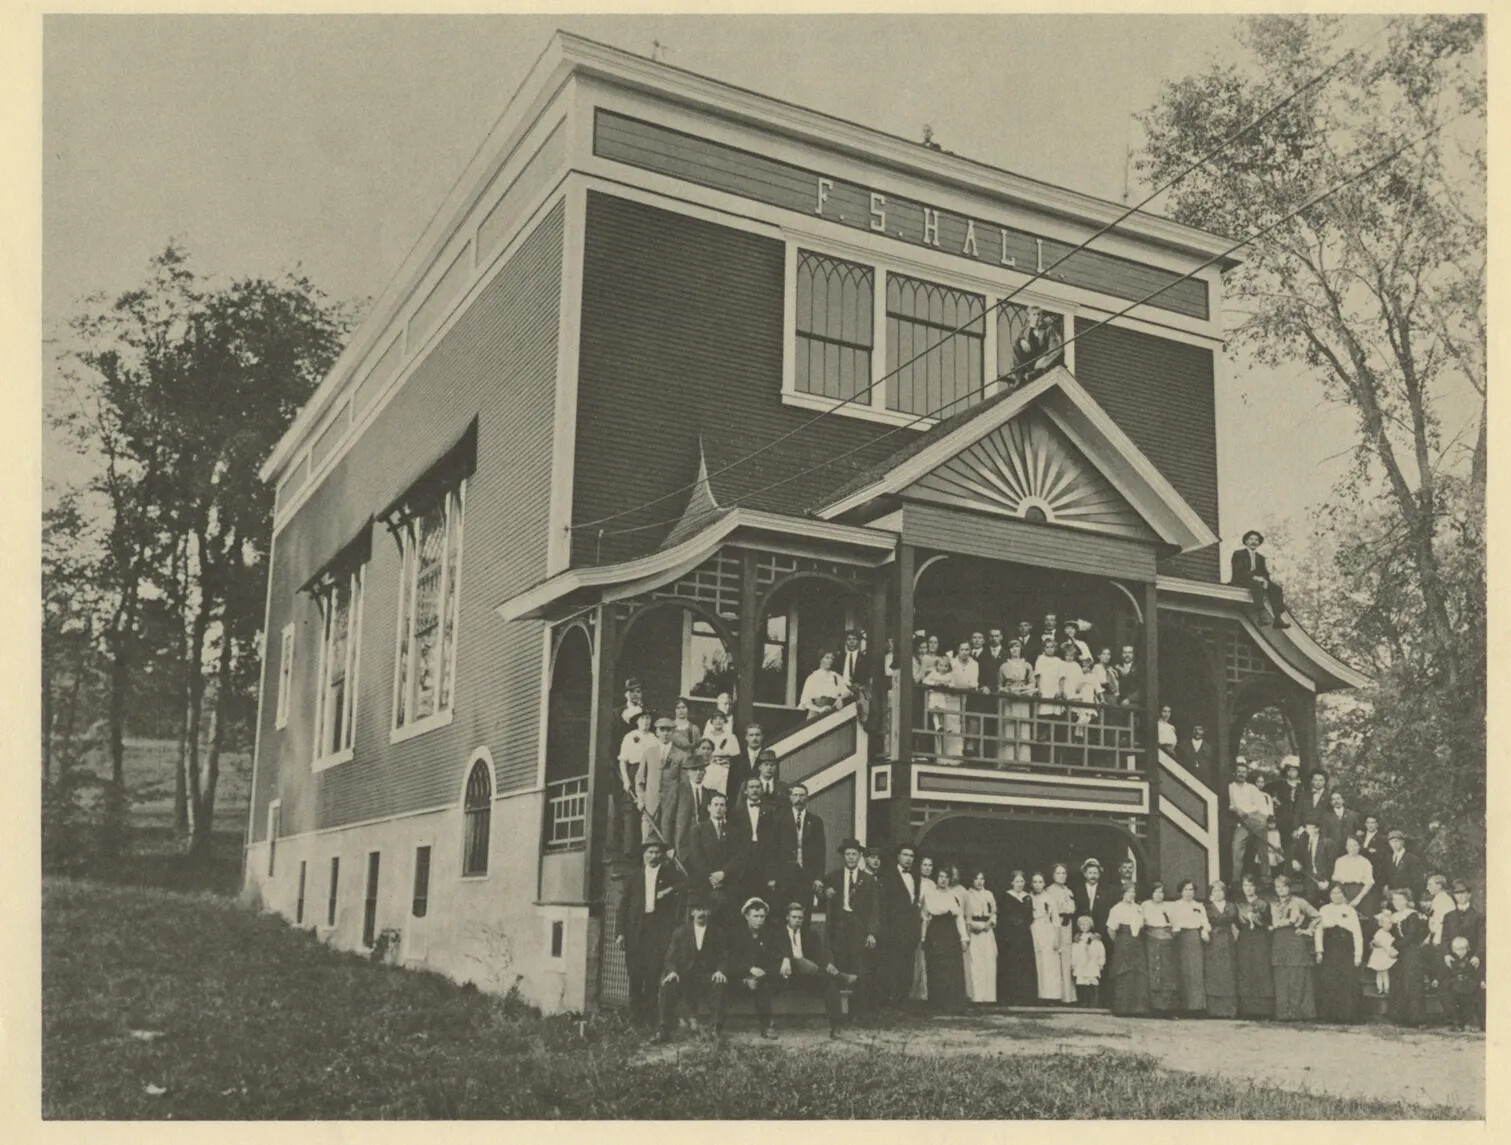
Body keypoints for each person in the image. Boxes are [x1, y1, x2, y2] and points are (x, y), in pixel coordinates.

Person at [616, 839, 687, 1025]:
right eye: (650, 852)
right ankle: (634, 1018)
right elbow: (623, 906)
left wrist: (669, 890)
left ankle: (650, 1018)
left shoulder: (669, 874)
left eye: (657, 853)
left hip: (657, 930)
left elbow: (686, 883)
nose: (653, 856)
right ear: (644, 854)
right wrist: (620, 933)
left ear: (661, 855)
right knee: (635, 975)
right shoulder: (634, 876)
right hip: (636, 931)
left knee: (653, 975)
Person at [655, 893, 728, 1043]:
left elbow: (724, 956)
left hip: (707, 975)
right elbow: (670, 957)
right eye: (698, 909)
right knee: (668, 983)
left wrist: (720, 970)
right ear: (692, 912)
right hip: (685, 975)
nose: (701, 913)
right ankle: (663, 1029)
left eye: (705, 909)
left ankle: (715, 1029)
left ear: (709, 912)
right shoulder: (680, 932)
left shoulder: (718, 933)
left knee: (720, 983)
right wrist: (673, 971)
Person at [822, 839, 879, 1012]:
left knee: (859, 967)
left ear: (860, 856)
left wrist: (872, 933)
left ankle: (858, 1012)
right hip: (839, 928)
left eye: (854, 854)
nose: (851, 857)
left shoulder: (868, 880)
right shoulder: (833, 877)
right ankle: (839, 1012)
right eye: (848, 854)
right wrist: (826, 892)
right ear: (843, 856)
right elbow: (821, 896)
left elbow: (875, 909)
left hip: (859, 930)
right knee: (840, 966)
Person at [775, 902, 845, 1038]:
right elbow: (773, 953)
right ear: (787, 918)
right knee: (799, 962)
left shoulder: (809, 933)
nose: (797, 921)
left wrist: (828, 964)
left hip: (807, 976)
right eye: (794, 917)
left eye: (800, 918)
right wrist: (785, 958)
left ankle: (835, 1026)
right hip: (786, 976)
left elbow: (820, 952)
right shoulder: (778, 934)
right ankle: (843, 977)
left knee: (830, 982)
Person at [722, 897, 781, 1038]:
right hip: (737, 978)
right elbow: (729, 962)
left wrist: (758, 974)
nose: (759, 920)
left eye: (762, 916)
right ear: (747, 916)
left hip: (760, 978)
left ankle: (766, 1026)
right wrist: (748, 970)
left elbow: (773, 959)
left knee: (763, 985)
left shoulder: (768, 935)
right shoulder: (735, 935)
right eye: (755, 916)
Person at [1269, 873, 1320, 1021]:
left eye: (1283, 886)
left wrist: (1307, 930)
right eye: (1277, 887)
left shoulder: (1299, 902)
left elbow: (1317, 917)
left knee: (1297, 976)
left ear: (1289, 887)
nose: (1280, 889)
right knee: (1281, 976)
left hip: (1295, 940)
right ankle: (1284, 1014)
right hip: (1279, 941)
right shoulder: (1273, 903)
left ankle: (1300, 1013)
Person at [921, 863, 970, 1012]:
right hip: (936, 931)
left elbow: (959, 918)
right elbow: (925, 918)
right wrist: (923, 937)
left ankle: (953, 1005)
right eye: (940, 876)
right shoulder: (929, 895)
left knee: (952, 967)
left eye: (946, 877)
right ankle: (937, 1004)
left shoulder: (953, 896)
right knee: (936, 966)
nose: (943, 880)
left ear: (950, 880)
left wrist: (963, 938)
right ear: (936, 878)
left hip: (951, 932)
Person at [877, 844, 921, 1008]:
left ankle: (903, 1001)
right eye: (905, 855)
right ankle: (890, 1002)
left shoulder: (914, 876)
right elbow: (884, 906)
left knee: (907, 967)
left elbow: (914, 904)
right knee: (892, 966)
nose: (908, 858)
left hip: (910, 931)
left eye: (911, 856)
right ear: (898, 856)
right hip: (893, 931)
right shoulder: (888, 876)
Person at [1314, 882, 1364, 1023]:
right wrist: (1319, 951)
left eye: (1339, 893)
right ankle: (1329, 1015)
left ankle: (1346, 1015)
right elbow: (1318, 931)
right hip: (1330, 947)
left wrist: (1358, 955)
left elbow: (1357, 934)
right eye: (1333, 893)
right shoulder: (1323, 910)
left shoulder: (1350, 910)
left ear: (1344, 895)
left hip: (1345, 948)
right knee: (1329, 979)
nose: (1336, 896)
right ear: (1329, 895)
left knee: (1346, 980)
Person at [730, 776, 782, 909]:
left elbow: (775, 841)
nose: (755, 790)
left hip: (763, 858)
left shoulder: (771, 810)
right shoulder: (736, 812)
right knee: (742, 899)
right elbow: (732, 842)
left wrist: (772, 874)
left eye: (758, 787)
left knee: (764, 898)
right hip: (743, 860)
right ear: (745, 791)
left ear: (762, 790)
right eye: (751, 787)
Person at [686, 792, 737, 923]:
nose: (719, 808)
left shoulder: (734, 830)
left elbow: (738, 855)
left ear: (726, 808)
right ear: (709, 807)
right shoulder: (698, 829)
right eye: (715, 805)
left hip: (728, 882)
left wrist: (724, 873)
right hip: (706, 884)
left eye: (722, 805)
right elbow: (696, 856)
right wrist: (712, 877)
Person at [778, 783, 826, 914]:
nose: (798, 798)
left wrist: (819, 877)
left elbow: (821, 852)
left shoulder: (816, 821)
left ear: (807, 797)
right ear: (790, 798)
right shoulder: (780, 820)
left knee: (805, 913)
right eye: (795, 795)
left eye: (802, 795)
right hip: (785, 875)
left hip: (807, 874)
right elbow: (772, 850)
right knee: (784, 913)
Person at [636, 716, 684, 841]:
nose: (665, 733)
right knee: (647, 837)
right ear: (656, 732)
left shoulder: (680, 755)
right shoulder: (648, 753)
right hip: (651, 802)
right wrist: (641, 799)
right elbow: (640, 779)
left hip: (671, 803)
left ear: (673, 732)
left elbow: (684, 783)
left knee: (667, 837)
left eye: (668, 730)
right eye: (662, 730)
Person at [1386, 887, 1428, 1027]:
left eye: (1400, 899)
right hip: (1398, 954)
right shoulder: (1392, 917)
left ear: (1407, 900)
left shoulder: (1412, 915)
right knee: (1399, 983)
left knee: (1412, 983)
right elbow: (1388, 934)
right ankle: (1400, 1018)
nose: (1396, 902)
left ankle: (1417, 1019)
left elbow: (1412, 935)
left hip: (1411, 952)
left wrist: (1396, 946)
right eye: (1394, 899)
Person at [1230, 529, 1291, 628]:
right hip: (1241, 579)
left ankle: (1278, 618)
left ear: (1258, 543)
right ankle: (1261, 615)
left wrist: (1265, 581)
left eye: (1256, 540)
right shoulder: (1239, 554)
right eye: (1251, 539)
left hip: (1257, 580)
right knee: (1256, 585)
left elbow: (1264, 573)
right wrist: (1254, 577)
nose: (1254, 542)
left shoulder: (1260, 558)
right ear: (1246, 542)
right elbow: (1238, 570)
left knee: (1276, 588)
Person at [1106, 881, 1150, 1016]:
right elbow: (1111, 930)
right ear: (1123, 893)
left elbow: (1142, 924)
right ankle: (1123, 1008)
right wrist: (1121, 941)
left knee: (1138, 972)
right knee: (1124, 972)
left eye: (1133, 892)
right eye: (1128, 892)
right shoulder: (1116, 908)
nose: (1131, 895)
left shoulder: (1138, 908)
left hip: (1137, 942)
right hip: (1123, 940)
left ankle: (1138, 1008)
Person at [1234, 874, 1275, 1019]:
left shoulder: (1263, 903)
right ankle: (1246, 1009)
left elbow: (1268, 924)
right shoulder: (1239, 904)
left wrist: (1257, 921)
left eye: (1251, 885)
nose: (1248, 888)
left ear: (1256, 887)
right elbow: (1238, 924)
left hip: (1260, 938)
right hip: (1245, 938)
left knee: (1260, 969)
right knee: (1245, 969)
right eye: (1245, 885)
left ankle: (1263, 1009)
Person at [1168, 878, 1210, 1014]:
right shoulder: (1175, 905)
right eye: (1185, 889)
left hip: (1194, 938)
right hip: (1179, 938)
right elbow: (1171, 923)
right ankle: (1182, 1007)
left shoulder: (1199, 906)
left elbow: (1205, 923)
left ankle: (1196, 1007)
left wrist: (1204, 930)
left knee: (1195, 971)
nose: (1188, 892)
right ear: (1181, 891)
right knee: (1182, 970)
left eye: (1191, 889)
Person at [664, 743, 713, 859]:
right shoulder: (679, 789)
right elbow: (667, 818)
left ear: (705, 772)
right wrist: (668, 846)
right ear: (687, 772)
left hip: (702, 845)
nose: (698, 773)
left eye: (701, 769)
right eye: (694, 769)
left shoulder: (709, 793)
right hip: (682, 843)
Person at [615, 709, 653, 856]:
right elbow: (623, 761)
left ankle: (645, 848)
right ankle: (629, 850)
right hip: (633, 771)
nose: (646, 721)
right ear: (637, 721)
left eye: (648, 718)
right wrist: (625, 779)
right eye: (642, 718)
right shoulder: (630, 737)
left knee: (647, 810)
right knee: (631, 810)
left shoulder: (654, 738)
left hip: (649, 773)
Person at [1228, 760, 1275, 882]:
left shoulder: (1251, 788)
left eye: (1244, 772)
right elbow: (1230, 805)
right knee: (1236, 848)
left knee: (1263, 850)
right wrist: (1236, 809)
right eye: (1239, 772)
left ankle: (1266, 879)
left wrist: (1264, 820)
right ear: (1234, 773)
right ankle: (1236, 881)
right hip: (1242, 821)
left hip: (1256, 818)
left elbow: (1262, 806)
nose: (1241, 774)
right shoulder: (1230, 787)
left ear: (1247, 774)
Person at [997, 870, 1037, 1005]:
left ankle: (1025, 997)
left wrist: (1023, 925)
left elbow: (1030, 916)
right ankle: (1009, 996)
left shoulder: (1028, 897)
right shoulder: (1006, 896)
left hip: (1024, 934)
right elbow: (1004, 915)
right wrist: (1014, 924)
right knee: (1010, 962)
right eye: (1017, 881)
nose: (1019, 884)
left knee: (1024, 963)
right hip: (1010, 935)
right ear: (1012, 882)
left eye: (1021, 881)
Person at [1203, 879, 1240, 1018]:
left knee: (1228, 972)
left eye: (1220, 890)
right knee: (1214, 972)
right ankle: (1214, 1010)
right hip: (1213, 941)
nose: (1218, 893)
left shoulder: (1231, 906)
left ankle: (1229, 1010)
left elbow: (1235, 922)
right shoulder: (1206, 907)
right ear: (1211, 893)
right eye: (1214, 890)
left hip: (1227, 940)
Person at [1142, 884, 1180, 1016]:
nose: (1159, 895)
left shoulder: (1169, 906)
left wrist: (1167, 935)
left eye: (1161, 892)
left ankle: (1167, 1008)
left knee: (1167, 972)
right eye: (1156, 892)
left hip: (1166, 941)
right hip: (1150, 939)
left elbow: (1175, 925)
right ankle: (1153, 1008)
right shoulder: (1145, 905)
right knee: (1153, 969)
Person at [997, 639, 1035, 764]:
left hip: (1023, 700)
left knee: (1023, 727)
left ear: (1021, 649)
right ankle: (1007, 760)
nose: (1014, 649)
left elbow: (1032, 683)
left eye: (1017, 647)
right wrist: (1007, 690)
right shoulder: (1004, 666)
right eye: (1012, 647)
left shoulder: (1027, 666)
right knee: (1009, 726)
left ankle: (1023, 761)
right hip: (1009, 699)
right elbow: (999, 685)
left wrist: (1025, 690)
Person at [1435, 936, 1483, 1031]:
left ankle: (1469, 1022)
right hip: (1454, 985)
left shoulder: (1471, 960)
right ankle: (1456, 1022)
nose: (1460, 952)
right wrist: (1437, 980)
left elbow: (1478, 972)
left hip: (1468, 985)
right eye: (1457, 950)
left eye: (1462, 949)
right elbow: (1444, 972)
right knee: (1449, 997)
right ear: (1452, 950)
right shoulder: (1451, 961)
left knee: (1470, 1002)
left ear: (1467, 949)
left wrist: (1482, 981)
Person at [964, 870, 998, 1004]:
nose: (979, 881)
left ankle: (989, 997)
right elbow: (965, 916)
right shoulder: (967, 894)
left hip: (987, 931)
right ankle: (976, 997)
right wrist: (974, 926)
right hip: (974, 932)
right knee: (976, 963)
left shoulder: (989, 894)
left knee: (989, 961)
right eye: (976, 878)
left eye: (982, 878)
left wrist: (989, 924)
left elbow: (994, 912)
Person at [1008, 303, 1064, 384]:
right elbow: (1017, 341)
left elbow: (1054, 346)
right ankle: (1020, 375)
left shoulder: (1048, 329)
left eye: (1039, 314)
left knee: (1059, 349)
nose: (1037, 317)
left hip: (1043, 360)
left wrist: (1045, 357)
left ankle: (1038, 370)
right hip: (1029, 361)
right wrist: (1022, 340)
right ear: (1028, 317)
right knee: (1015, 345)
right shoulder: (1024, 331)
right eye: (1034, 314)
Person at [1029, 872, 1063, 1002]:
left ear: (1044, 883)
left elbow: (1055, 919)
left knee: (1049, 963)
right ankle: (1038, 994)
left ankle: (1051, 995)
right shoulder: (1029, 897)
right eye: (1035, 882)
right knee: (1038, 962)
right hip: (1033, 929)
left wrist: (1056, 938)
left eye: (1040, 882)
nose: (1038, 885)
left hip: (1047, 930)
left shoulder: (1050, 898)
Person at [1047, 863, 1078, 1001]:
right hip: (1055, 924)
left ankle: (1067, 996)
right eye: (1058, 873)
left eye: (1064, 873)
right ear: (1053, 875)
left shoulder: (1068, 890)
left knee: (1067, 957)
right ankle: (1055, 995)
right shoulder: (1049, 891)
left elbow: (1072, 908)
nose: (1062, 876)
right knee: (1055, 958)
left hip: (1067, 925)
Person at [1441, 880, 1485, 975]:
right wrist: (1446, 954)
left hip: (1472, 960)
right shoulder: (1448, 916)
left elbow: (1482, 938)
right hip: (1452, 959)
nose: (1460, 896)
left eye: (1463, 893)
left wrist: (1477, 956)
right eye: (1457, 893)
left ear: (1469, 895)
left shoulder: (1478, 916)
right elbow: (1444, 937)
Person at [1290, 821, 1336, 906]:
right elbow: (1297, 854)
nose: (1308, 830)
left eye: (1311, 827)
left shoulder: (1327, 842)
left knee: (1327, 904)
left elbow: (1331, 864)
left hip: (1323, 878)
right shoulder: (1303, 841)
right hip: (1309, 877)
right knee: (1309, 902)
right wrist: (1295, 861)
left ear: (1317, 829)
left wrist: (1327, 881)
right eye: (1307, 828)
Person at [1329, 835, 1375, 913]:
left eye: (1355, 845)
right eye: (1350, 846)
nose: (1352, 848)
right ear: (1346, 847)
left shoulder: (1365, 862)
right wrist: (1341, 897)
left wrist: (1357, 899)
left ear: (1359, 847)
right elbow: (1335, 879)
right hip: (1342, 891)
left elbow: (1369, 883)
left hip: (1360, 892)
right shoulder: (1340, 861)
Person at [911, 856, 935, 1003]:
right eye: (924, 865)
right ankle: (915, 990)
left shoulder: (933, 884)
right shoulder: (915, 881)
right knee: (917, 954)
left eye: (930, 865)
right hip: (918, 920)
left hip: (930, 921)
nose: (927, 868)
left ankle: (926, 990)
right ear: (919, 866)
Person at [1265, 758, 1306, 844]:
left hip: (1298, 819)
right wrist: (1274, 800)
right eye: (1289, 770)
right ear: (1286, 771)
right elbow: (1265, 791)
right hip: (1282, 818)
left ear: (1298, 772)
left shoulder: (1302, 787)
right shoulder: (1279, 784)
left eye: (1294, 770)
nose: (1291, 772)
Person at [799, 651, 851, 718]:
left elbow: (847, 692)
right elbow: (805, 701)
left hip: (832, 712)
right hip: (816, 713)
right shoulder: (812, 677)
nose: (830, 661)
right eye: (827, 658)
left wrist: (841, 698)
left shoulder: (836, 676)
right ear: (820, 659)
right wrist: (819, 709)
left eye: (832, 658)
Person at [1073, 858, 1114, 943]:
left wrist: (1100, 933)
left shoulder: (1106, 891)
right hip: (1082, 933)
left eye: (1095, 873)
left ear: (1099, 875)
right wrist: (1077, 932)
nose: (1093, 876)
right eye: (1090, 873)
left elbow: (1107, 914)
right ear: (1085, 874)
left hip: (1100, 934)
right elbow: (1075, 913)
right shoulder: (1077, 890)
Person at [1382, 828, 1427, 905]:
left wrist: (1413, 899)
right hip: (1393, 899)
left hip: (1408, 899)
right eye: (1392, 842)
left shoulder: (1412, 859)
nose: (1394, 844)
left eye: (1397, 841)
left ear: (1402, 842)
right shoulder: (1388, 859)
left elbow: (1417, 882)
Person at [1071, 915, 1107, 1007]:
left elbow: (1101, 951)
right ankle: (1083, 1002)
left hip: (1092, 964)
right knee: (1082, 983)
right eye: (1081, 925)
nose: (1083, 927)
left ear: (1090, 925)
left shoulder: (1095, 939)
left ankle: (1094, 1003)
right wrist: (1073, 964)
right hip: (1081, 965)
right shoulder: (1078, 939)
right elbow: (1074, 952)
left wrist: (1101, 962)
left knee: (1092, 982)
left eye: (1085, 924)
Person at [702, 710, 740, 798]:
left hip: (725, 770)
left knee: (723, 795)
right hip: (709, 769)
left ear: (725, 721)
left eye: (721, 719)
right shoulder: (706, 736)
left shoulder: (731, 737)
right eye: (715, 719)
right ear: (711, 721)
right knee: (707, 793)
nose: (718, 721)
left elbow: (736, 756)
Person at [728, 723, 765, 810]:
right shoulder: (736, 759)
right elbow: (731, 787)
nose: (754, 738)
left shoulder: (767, 758)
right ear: (746, 737)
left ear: (762, 737)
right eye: (751, 735)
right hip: (740, 806)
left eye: (757, 735)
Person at [1368, 908, 1398, 999]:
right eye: (1387, 923)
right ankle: (1380, 988)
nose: (1389, 925)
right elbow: (1378, 943)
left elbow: (1390, 943)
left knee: (1385, 972)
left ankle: (1386, 988)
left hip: (1385, 955)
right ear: (1381, 924)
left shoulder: (1389, 934)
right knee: (1380, 972)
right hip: (1380, 955)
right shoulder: (1379, 933)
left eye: (1390, 923)